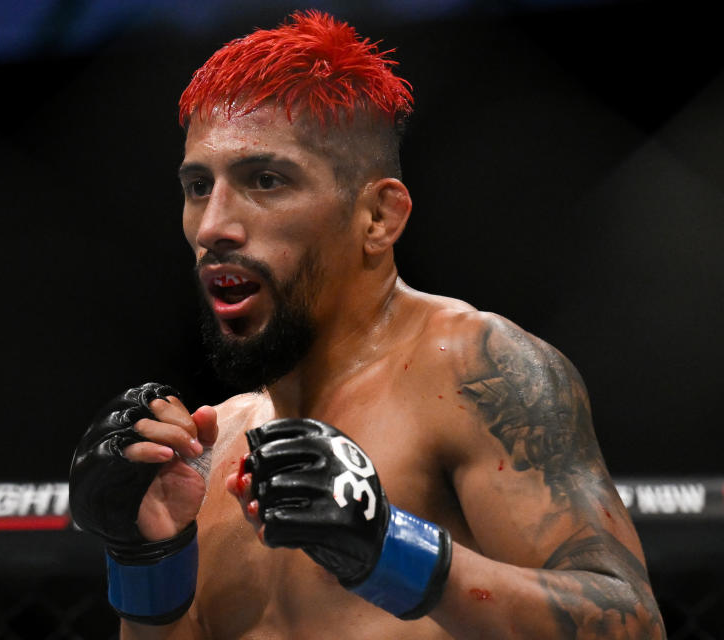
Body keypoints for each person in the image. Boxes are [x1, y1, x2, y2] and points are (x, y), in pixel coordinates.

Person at [70, 10, 665, 639]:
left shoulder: (470, 371)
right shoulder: (214, 451)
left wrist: (388, 549)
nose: (214, 226)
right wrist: (146, 562)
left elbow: (629, 623)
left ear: (378, 217)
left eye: (265, 180)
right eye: (197, 186)